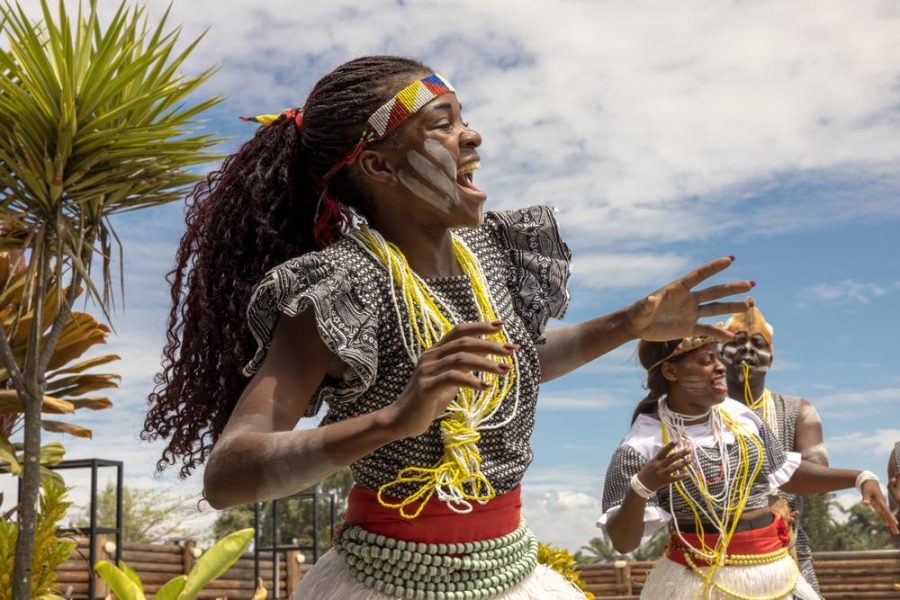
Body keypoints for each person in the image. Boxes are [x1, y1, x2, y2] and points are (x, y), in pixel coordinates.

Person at [143, 56, 755, 599]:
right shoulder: (335, 288)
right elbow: (229, 476)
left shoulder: (493, 256)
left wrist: (630, 323)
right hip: (383, 582)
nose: (473, 135)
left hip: (511, 570)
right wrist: (393, 420)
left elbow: (515, 362)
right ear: (380, 166)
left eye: (462, 117)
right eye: (443, 123)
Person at [598, 336, 899, 600]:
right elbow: (624, 542)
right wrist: (642, 486)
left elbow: (785, 473)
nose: (720, 367)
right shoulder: (641, 444)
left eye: (717, 358)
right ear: (671, 371)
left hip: (772, 571)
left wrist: (860, 477)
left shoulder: (739, 416)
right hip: (697, 582)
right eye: (706, 361)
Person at [720, 305, 827, 591]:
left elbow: (817, 477)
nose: (746, 349)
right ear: (719, 355)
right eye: (736, 341)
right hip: (710, 553)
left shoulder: (797, 411)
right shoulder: (698, 413)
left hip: (785, 553)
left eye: (757, 343)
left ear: (772, 356)